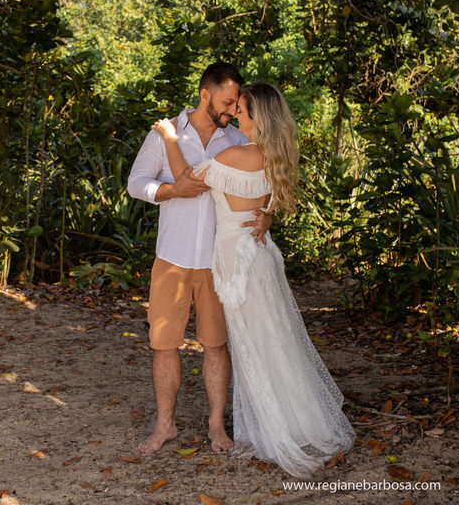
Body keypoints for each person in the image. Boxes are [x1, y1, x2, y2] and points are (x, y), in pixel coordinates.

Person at [151, 81, 355, 477]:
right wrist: (268, 215)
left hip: (236, 259)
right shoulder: (274, 155)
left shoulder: (234, 154)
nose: (235, 115)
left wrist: (169, 135)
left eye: (241, 110)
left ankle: (277, 428)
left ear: (256, 116)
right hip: (258, 255)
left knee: (253, 345)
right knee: (272, 339)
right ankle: (298, 420)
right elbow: (270, 199)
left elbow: (186, 180)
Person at [127, 62, 273, 455]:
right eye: (227, 102)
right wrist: (171, 192)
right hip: (172, 257)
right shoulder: (165, 134)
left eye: (236, 104)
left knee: (216, 344)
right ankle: (165, 426)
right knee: (164, 344)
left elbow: (265, 178)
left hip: (218, 261)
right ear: (205, 94)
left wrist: (269, 211)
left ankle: (216, 428)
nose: (231, 110)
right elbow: (136, 183)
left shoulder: (236, 141)